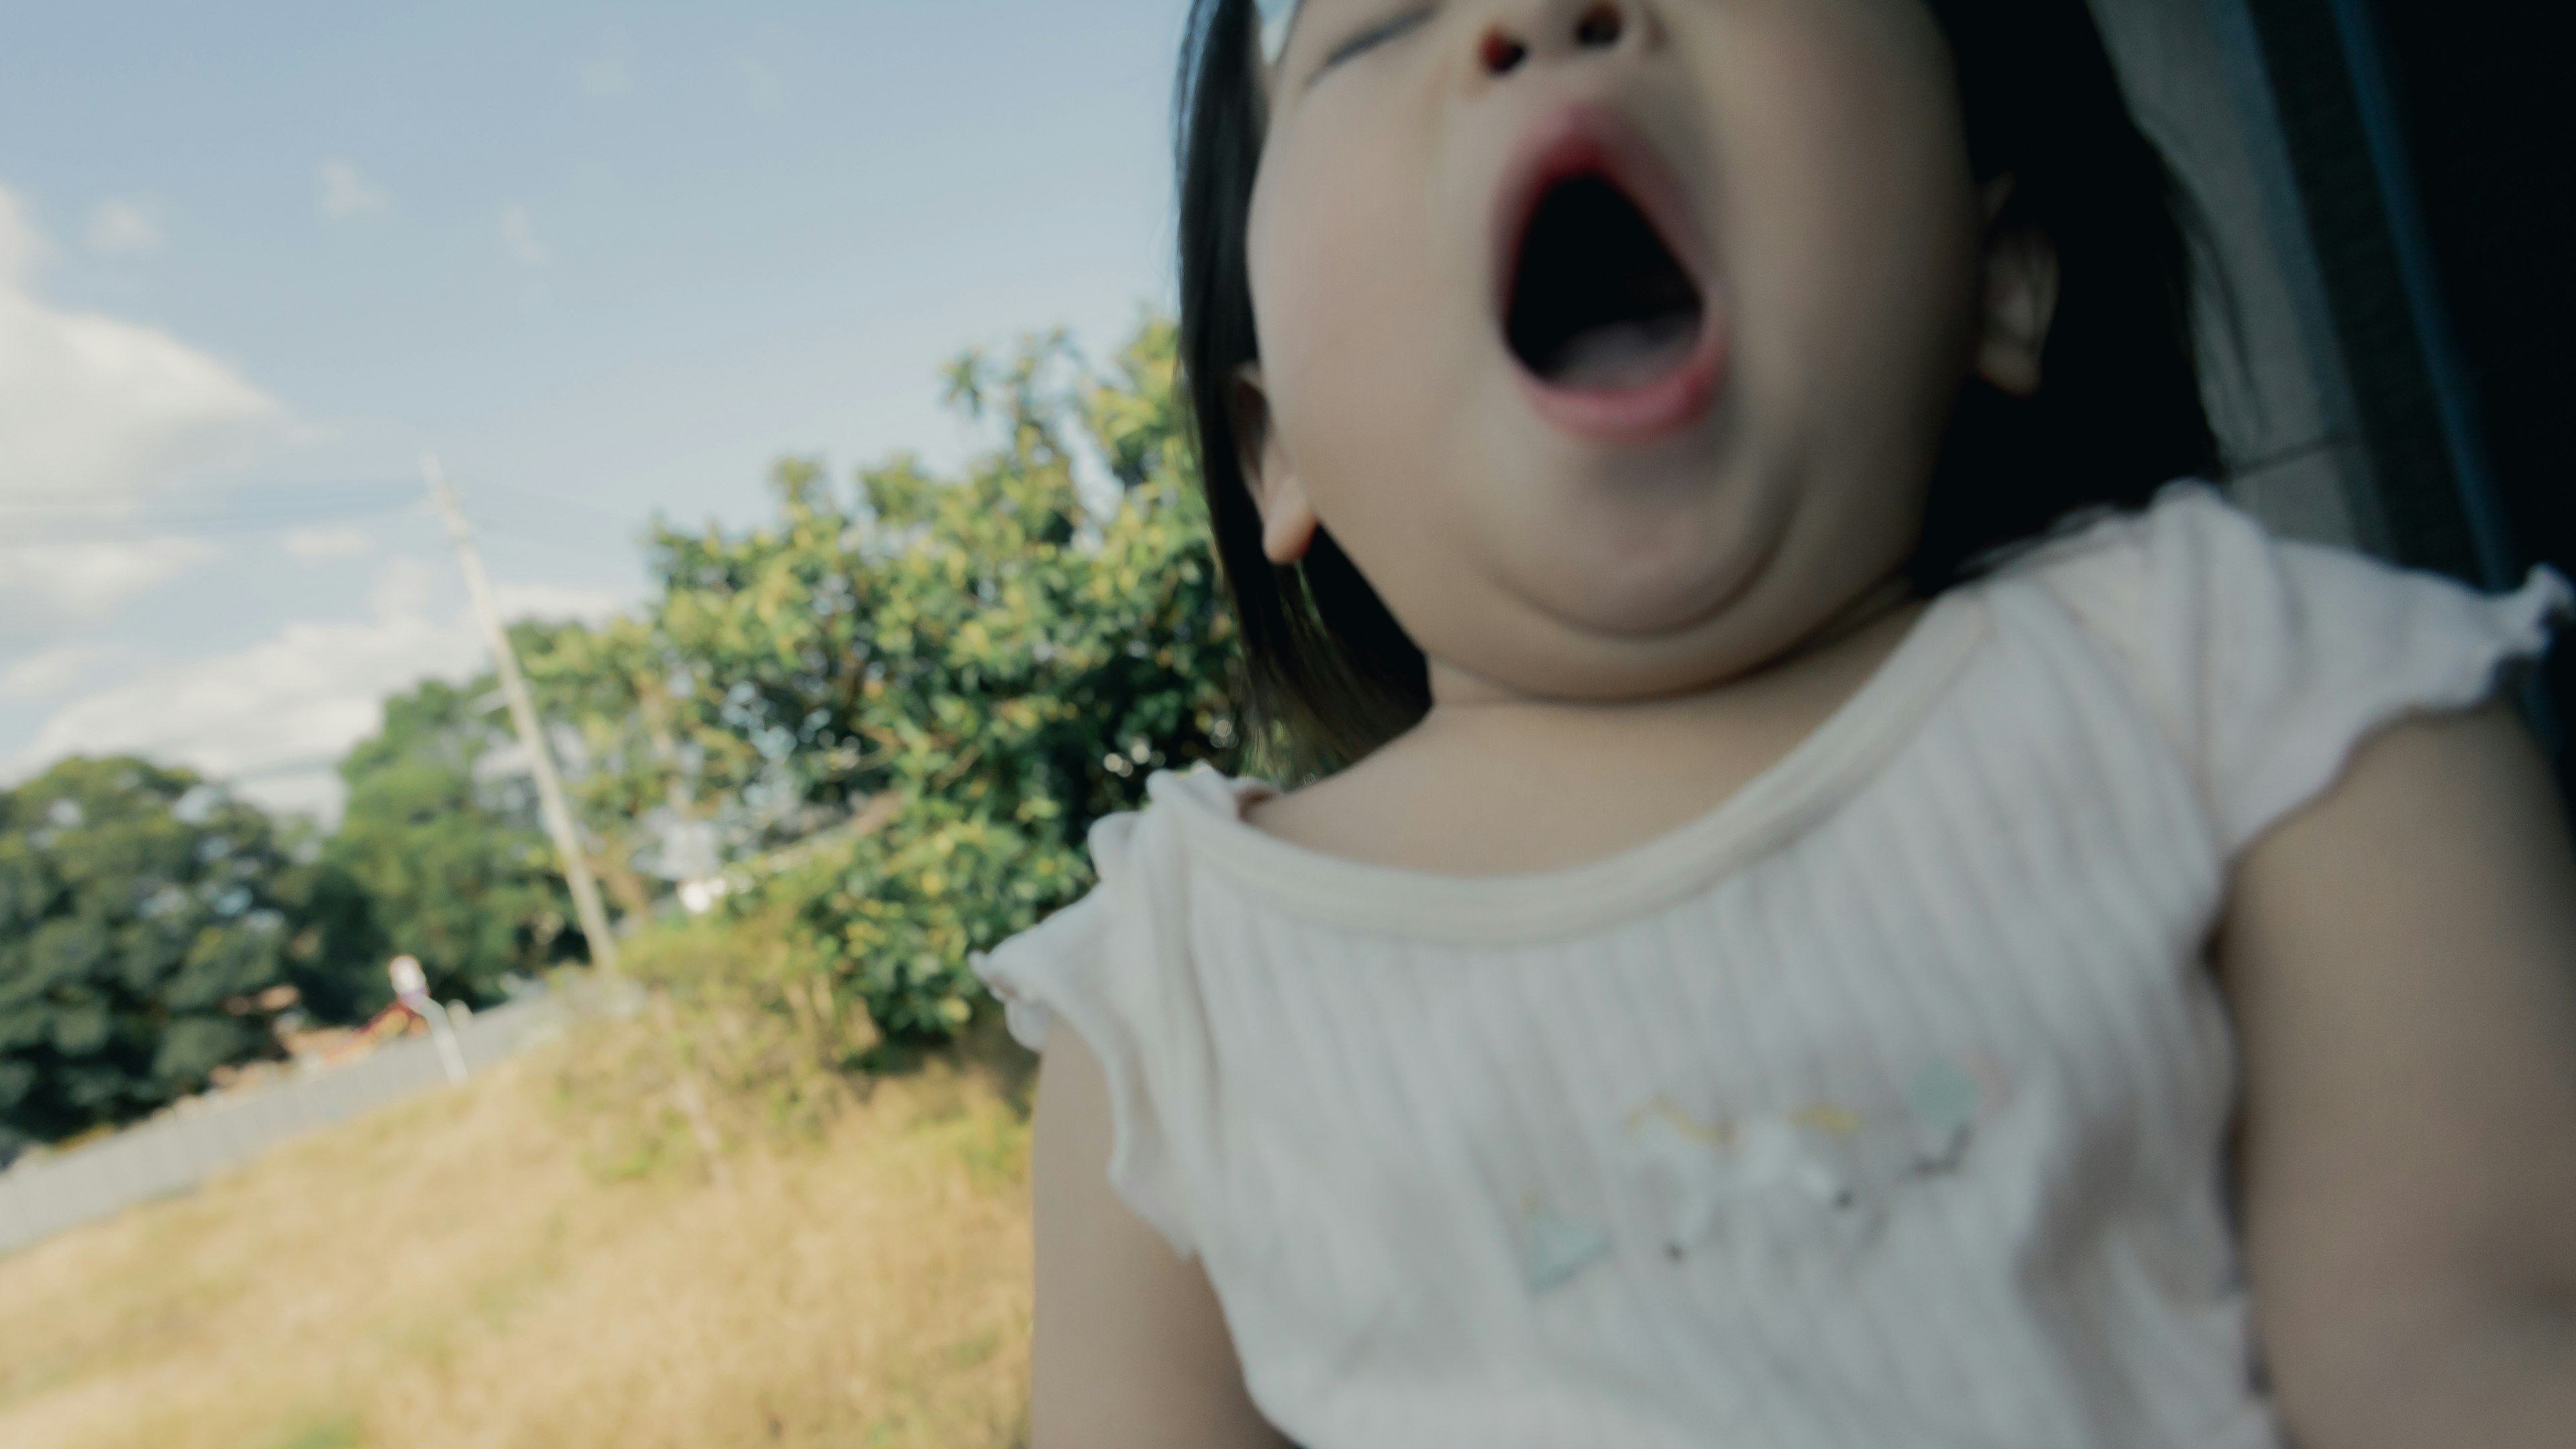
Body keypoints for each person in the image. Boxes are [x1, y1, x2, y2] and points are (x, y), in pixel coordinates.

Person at [975, 1, 2576, 1444]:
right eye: (1384, 23)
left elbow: (2470, 1345)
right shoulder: (1177, 1025)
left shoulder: (2243, 700)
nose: (1534, 23)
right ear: (1275, 453)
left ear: (2000, 266)